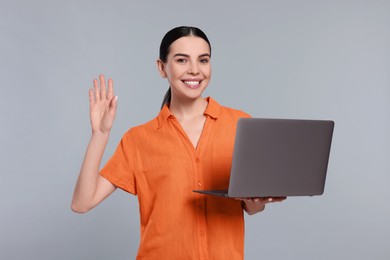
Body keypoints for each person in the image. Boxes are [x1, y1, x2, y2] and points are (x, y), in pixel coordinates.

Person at [71, 26, 286, 260]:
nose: (194, 70)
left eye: (203, 60)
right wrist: (100, 134)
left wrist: (257, 200)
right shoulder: (138, 139)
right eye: (182, 60)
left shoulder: (241, 125)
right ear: (162, 68)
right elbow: (82, 203)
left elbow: (252, 208)